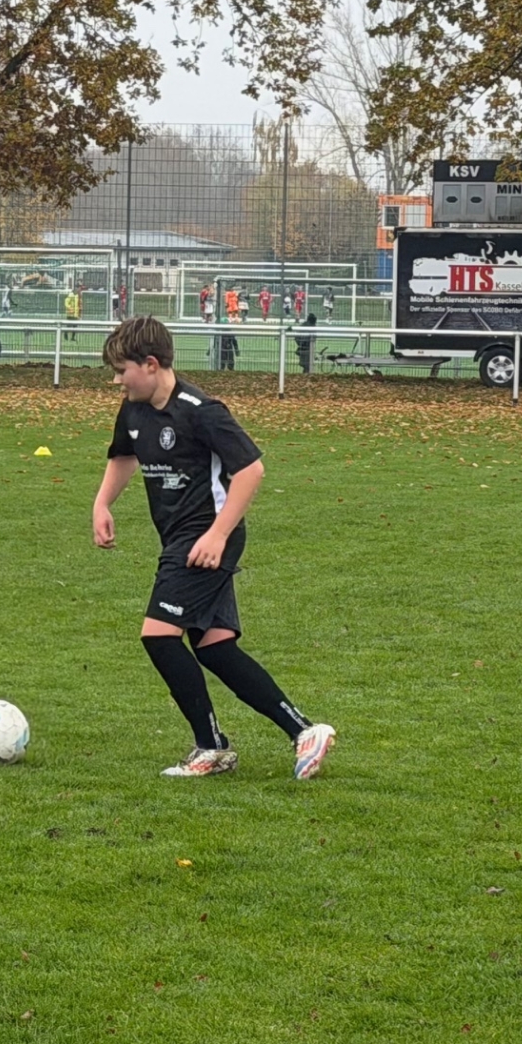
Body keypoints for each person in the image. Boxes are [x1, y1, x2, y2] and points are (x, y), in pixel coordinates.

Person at [91, 316, 335, 780]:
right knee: (215, 649)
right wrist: (102, 503)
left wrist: (218, 535)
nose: (117, 380)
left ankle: (211, 745)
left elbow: (251, 470)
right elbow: (123, 456)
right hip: (181, 537)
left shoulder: (201, 410)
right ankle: (304, 731)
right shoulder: (134, 410)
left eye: (122, 370)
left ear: (151, 363)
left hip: (204, 537)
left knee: (158, 635)